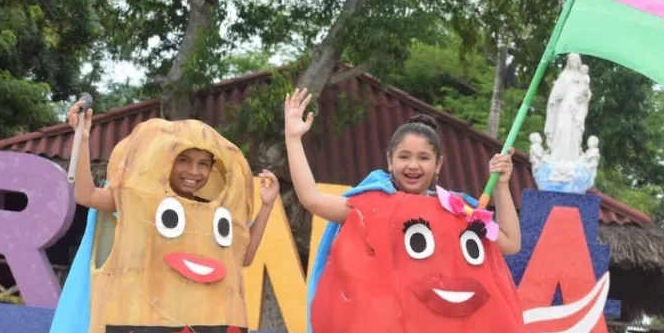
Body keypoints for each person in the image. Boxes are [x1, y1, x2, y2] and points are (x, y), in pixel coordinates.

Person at [283, 88, 521, 255]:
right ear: (390, 161)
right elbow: (312, 200)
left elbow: (510, 243)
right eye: (404, 157)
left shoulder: (456, 209)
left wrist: (501, 186)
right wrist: (293, 138)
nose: (413, 165)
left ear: (438, 164)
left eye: (424, 158)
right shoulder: (374, 205)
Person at [66, 100, 279, 266]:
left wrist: (267, 206)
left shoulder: (210, 212)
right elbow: (87, 195)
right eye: (184, 161)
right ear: (167, 162)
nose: (194, 172)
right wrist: (82, 139)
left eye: (203, 164)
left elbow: (243, 258)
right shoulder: (140, 198)